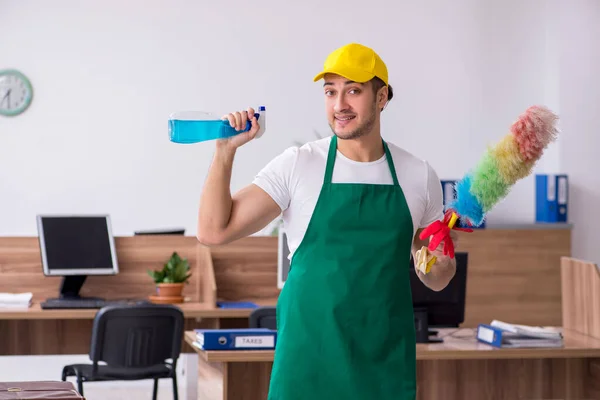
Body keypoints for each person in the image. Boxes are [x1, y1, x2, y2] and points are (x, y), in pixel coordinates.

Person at [197, 43, 457, 400]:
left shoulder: (418, 175)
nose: (340, 105)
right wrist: (224, 153)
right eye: (330, 92)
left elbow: (437, 276)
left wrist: (438, 266)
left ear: (381, 97)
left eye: (353, 90)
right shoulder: (298, 165)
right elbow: (213, 231)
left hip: (383, 363)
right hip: (308, 361)